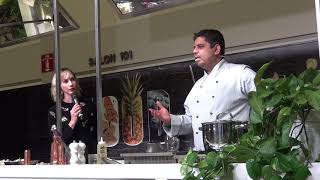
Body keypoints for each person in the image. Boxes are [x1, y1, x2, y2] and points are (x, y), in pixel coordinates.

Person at [149, 29, 256, 151]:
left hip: (236, 157)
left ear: (216, 49)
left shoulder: (241, 74)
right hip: (202, 159)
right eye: (194, 47)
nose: (194, 51)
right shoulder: (197, 86)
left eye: (200, 47)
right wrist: (170, 119)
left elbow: (268, 105)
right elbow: (193, 121)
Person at [48, 68, 97, 156]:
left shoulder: (88, 105)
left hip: (90, 157)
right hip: (68, 159)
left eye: (72, 79)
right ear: (59, 86)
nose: (70, 84)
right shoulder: (54, 111)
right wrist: (72, 121)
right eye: (65, 81)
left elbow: (96, 133)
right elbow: (58, 142)